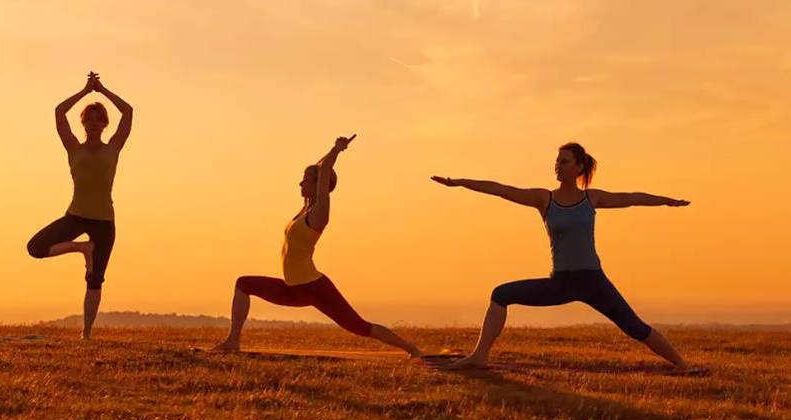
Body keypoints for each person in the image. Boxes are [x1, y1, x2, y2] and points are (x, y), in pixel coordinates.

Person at [431, 142, 702, 373]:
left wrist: (667, 201)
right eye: (556, 161)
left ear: (579, 168)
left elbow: (631, 197)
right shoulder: (544, 198)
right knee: (501, 294)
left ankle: (682, 365)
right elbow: (500, 189)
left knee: (634, 327)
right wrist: (459, 183)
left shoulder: (591, 198)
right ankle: (479, 357)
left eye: (564, 161)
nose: (557, 166)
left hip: (593, 281)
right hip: (561, 282)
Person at [213, 135, 423, 358]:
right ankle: (232, 341)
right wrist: (324, 159)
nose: (300, 183)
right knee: (244, 284)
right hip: (292, 288)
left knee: (360, 327)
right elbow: (319, 169)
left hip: (314, 288)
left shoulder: (319, 212)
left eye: (305, 180)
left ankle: (412, 349)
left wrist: (336, 149)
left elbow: (323, 171)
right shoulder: (304, 209)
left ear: (318, 185)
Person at [26, 72, 133, 340]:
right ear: (83, 123)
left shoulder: (113, 149)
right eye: (89, 120)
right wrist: (86, 91)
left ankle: (86, 333)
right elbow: (60, 112)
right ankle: (82, 248)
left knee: (95, 278)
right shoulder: (73, 147)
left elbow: (128, 111)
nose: (94, 124)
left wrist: (103, 89)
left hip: (104, 221)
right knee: (35, 248)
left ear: (105, 124)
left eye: (99, 120)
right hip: (76, 216)